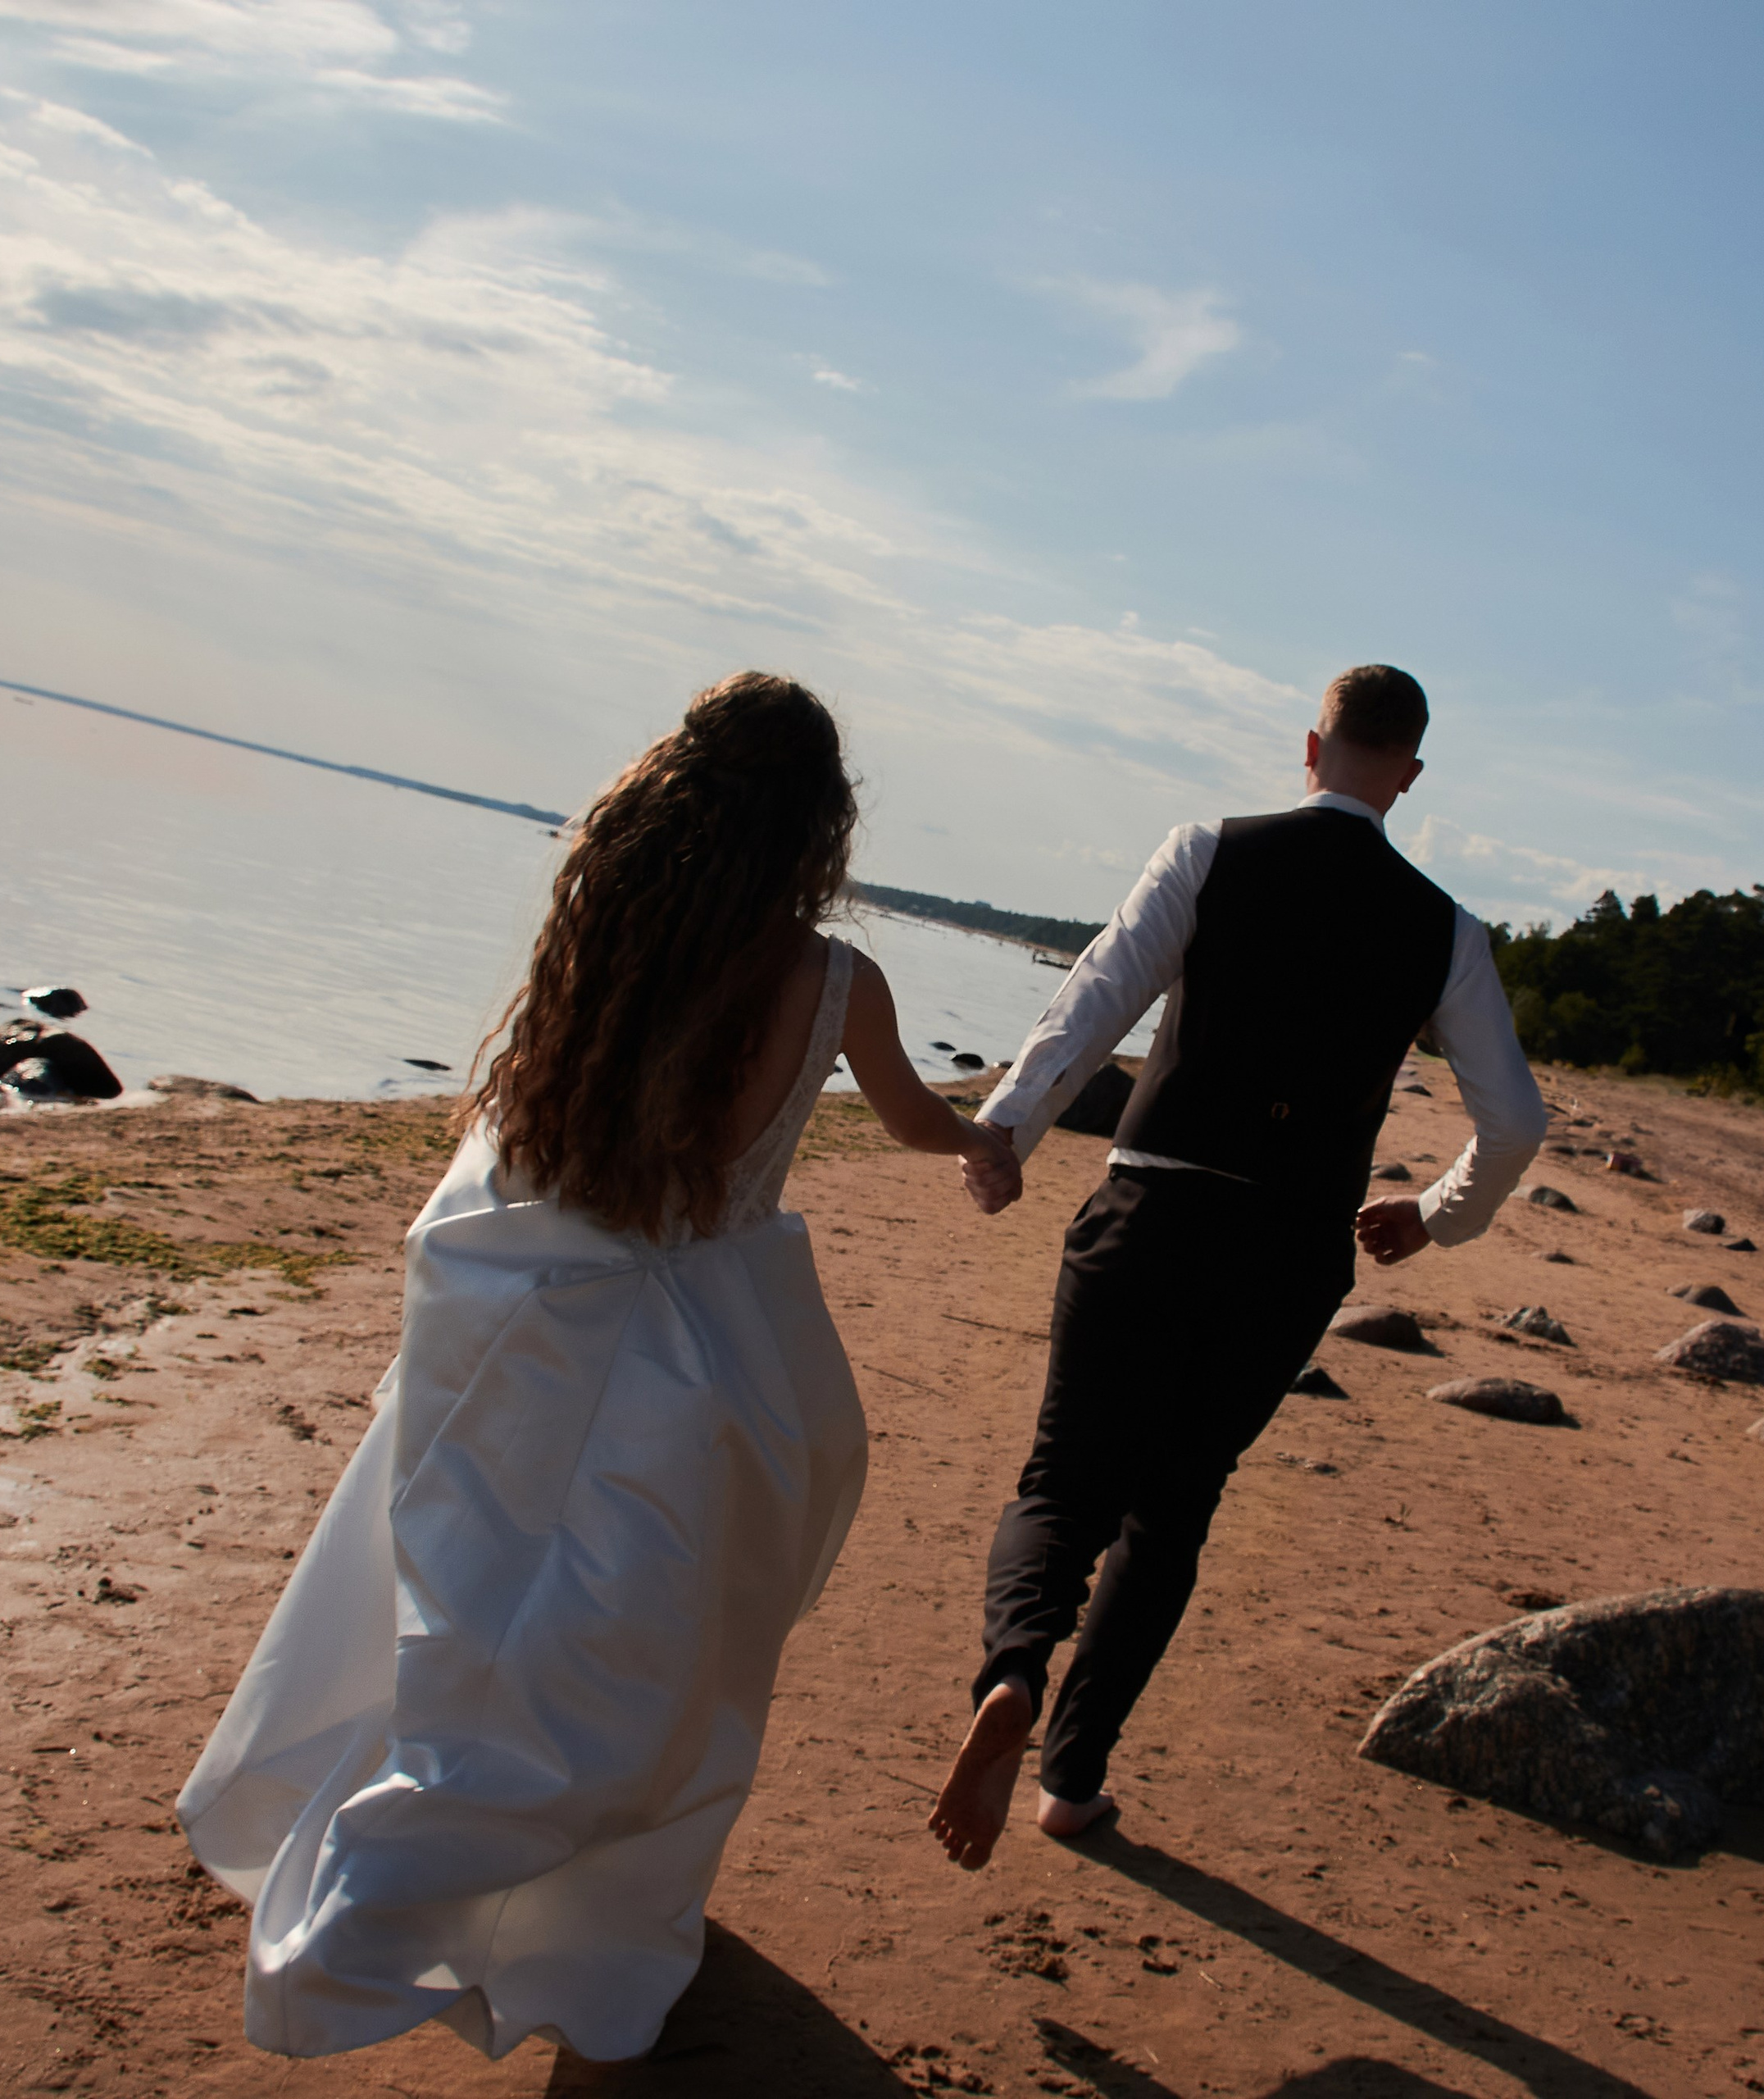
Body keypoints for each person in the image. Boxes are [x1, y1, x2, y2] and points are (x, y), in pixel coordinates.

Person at [180, 673, 1021, 2062]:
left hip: (542, 1324)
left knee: (472, 1622)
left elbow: (533, 1122)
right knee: (664, 1671)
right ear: (818, 825)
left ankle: (413, 1876)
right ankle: (577, 1916)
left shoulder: (620, 926)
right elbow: (912, 1114)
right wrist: (985, 1138)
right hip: (712, 1369)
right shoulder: (833, 981)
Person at [927, 663, 1547, 1869]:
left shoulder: (1209, 849)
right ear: (1410, 776)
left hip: (1151, 1210)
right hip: (1290, 1251)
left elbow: (1098, 996)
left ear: (1312, 749)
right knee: (1172, 1510)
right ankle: (1072, 1781)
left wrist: (1006, 1133)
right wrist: (1436, 1214)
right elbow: (1515, 1121)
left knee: (1064, 1482)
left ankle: (1013, 1674)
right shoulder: (1447, 931)